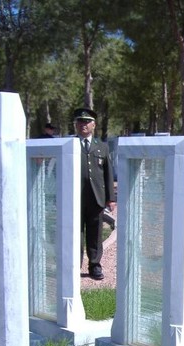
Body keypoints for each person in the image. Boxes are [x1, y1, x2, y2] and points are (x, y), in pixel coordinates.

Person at [74, 107, 115, 280]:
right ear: (76, 125)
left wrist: (110, 198)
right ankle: (74, 266)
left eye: (87, 121)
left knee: (95, 233)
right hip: (75, 198)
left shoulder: (102, 147)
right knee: (75, 233)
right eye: (80, 121)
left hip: (96, 197)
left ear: (94, 125)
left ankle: (95, 265)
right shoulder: (70, 145)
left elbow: (108, 173)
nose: (83, 124)